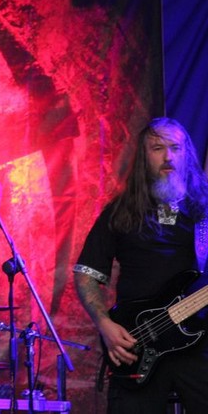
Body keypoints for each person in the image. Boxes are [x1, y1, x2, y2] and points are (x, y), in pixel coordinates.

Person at [74, 117, 208, 413]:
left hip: (199, 340)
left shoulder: (204, 210)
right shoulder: (120, 211)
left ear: (187, 154)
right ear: (144, 157)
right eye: (158, 148)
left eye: (176, 148)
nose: (168, 156)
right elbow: (86, 274)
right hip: (136, 342)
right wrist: (105, 325)